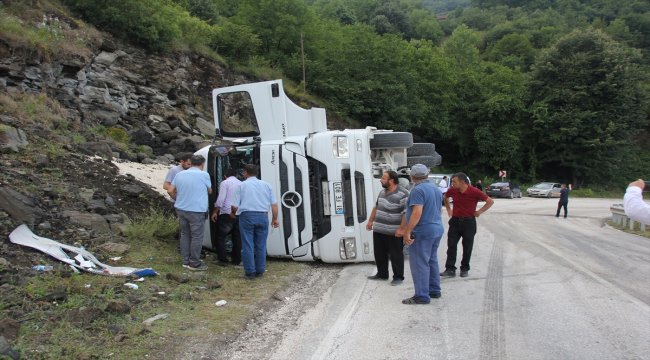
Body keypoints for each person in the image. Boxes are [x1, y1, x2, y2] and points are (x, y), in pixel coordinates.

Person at [400, 164, 444, 304]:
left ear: (412, 176)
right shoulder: (435, 188)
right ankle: (434, 290)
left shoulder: (417, 190)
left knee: (419, 263)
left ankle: (422, 295)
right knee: (431, 260)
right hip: (436, 228)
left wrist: (407, 231)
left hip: (423, 230)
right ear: (427, 174)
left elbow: (417, 212)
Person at [231, 164, 279, 279]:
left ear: (245, 173)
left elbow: (234, 206)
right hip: (263, 216)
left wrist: (234, 213)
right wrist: (274, 219)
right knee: (261, 245)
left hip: (247, 216)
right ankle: (260, 270)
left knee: (248, 244)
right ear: (257, 173)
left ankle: (250, 272)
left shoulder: (241, 186)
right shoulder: (266, 185)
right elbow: (274, 205)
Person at [441, 172, 494, 278]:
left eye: (454, 182)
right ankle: (450, 269)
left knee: (467, 246)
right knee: (451, 245)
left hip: (468, 222)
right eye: (452, 181)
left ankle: (464, 268)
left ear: (462, 182)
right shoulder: (453, 190)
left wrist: (479, 211)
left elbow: (490, 201)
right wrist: (448, 209)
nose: (452, 184)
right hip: (455, 221)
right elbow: (445, 198)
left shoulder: (474, 191)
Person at [167, 155, 212, 271]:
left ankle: (185, 261)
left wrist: (178, 199)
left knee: (185, 234)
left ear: (190, 163)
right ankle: (194, 263)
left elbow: (170, 190)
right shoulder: (204, 175)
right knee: (197, 236)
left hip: (181, 209)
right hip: (197, 210)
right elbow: (210, 190)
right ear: (202, 164)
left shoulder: (179, 174)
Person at [365, 171, 409, 286]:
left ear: (392, 180)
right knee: (379, 253)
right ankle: (382, 274)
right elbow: (376, 207)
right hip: (379, 230)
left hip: (394, 231)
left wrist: (402, 229)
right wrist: (370, 221)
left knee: (396, 254)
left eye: (384, 178)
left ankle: (398, 277)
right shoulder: (382, 192)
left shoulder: (403, 194)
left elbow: (406, 213)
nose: (380, 180)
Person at [210, 168, 242, 266]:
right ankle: (236, 259)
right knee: (237, 237)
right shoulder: (242, 183)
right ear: (236, 175)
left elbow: (221, 199)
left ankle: (223, 260)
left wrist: (215, 211)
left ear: (225, 176)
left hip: (227, 213)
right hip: (239, 213)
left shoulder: (225, 183)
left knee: (220, 237)